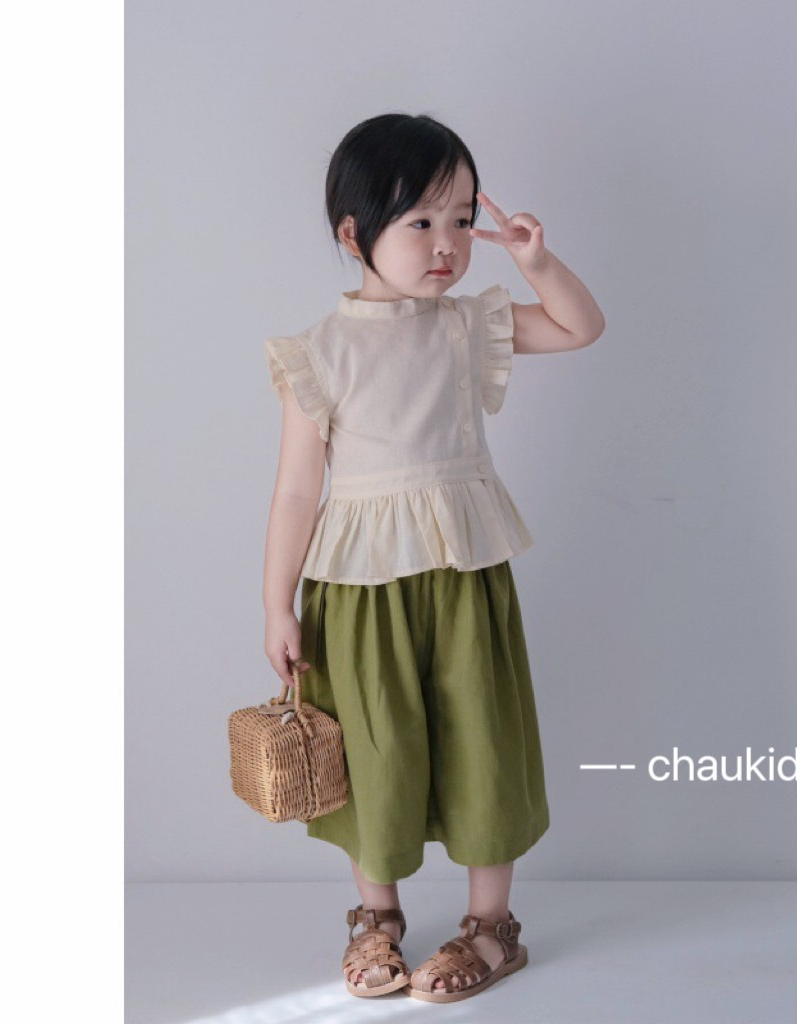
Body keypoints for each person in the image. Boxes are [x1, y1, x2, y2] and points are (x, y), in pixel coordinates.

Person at [262, 112, 605, 1003]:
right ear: (354, 234)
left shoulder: (465, 326)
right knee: (373, 746)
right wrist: (276, 606)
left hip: (464, 571)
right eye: (420, 221)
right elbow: (297, 491)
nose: (446, 243)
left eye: (460, 218)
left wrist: (534, 261)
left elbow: (580, 327)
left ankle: (491, 927)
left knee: (481, 737)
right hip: (357, 589)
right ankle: (376, 920)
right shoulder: (319, 353)